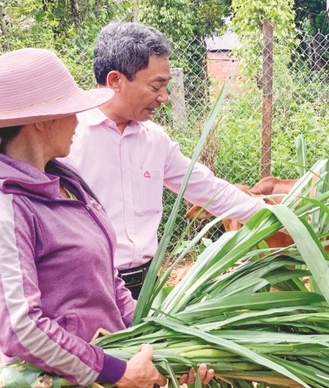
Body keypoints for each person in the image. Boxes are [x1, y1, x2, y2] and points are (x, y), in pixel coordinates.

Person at [0, 48, 213, 387]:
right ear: (40, 121)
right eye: (71, 111)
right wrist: (116, 372)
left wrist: (161, 351)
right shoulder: (9, 205)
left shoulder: (68, 183)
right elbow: (22, 328)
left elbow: (107, 278)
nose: (77, 120)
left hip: (108, 358)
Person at [62, 21, 266, 298]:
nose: (164, 98)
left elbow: (209, 190)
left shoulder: (155, 140)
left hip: (147, 284)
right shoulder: (67, 140)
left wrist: (276, 213)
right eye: (156, 86)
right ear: (115, 81)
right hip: (87, 287)